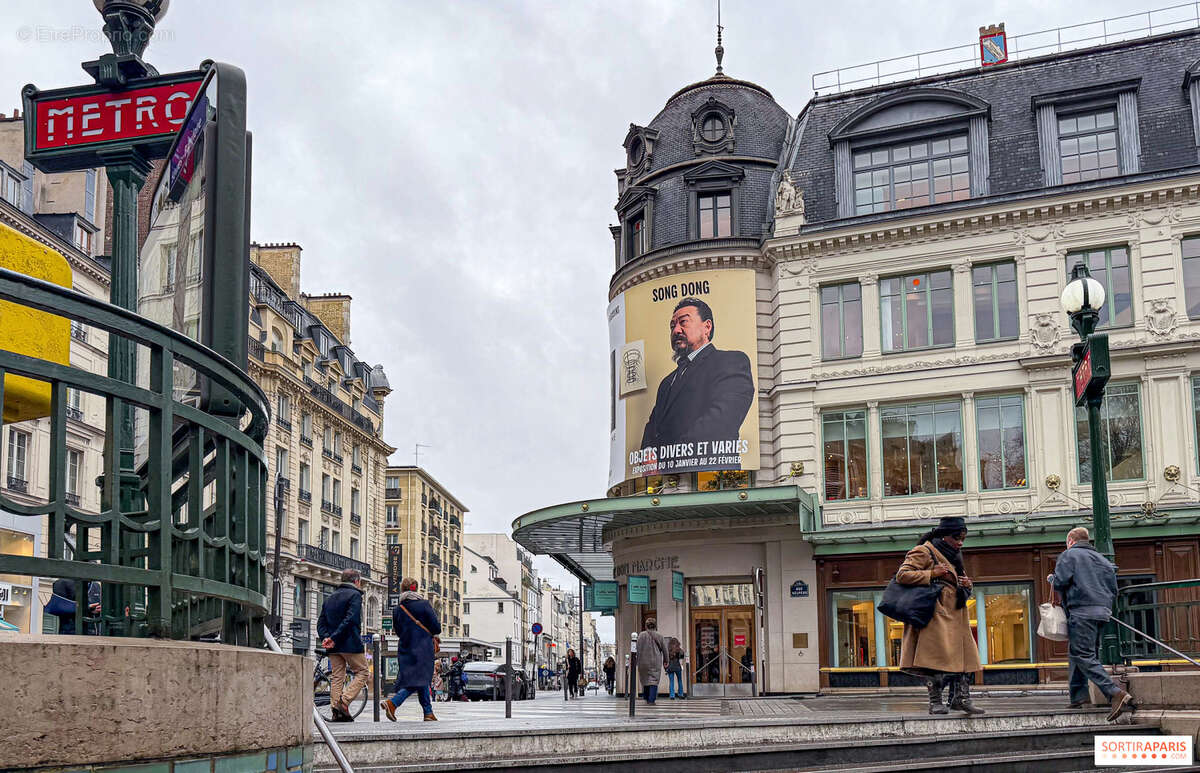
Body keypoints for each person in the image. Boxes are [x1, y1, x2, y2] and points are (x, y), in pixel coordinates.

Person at [639, 298, 754, 456]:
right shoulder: (666, 383)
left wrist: (665, 458)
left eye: (683, 322)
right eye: (672, 326)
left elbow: (721, 421)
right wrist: (647, 458)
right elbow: (652, 428)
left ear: (707, 327)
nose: (676, 330)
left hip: (714, 474)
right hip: (665, 476)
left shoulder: (731, 361)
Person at [895, 516, 984, 716]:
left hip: (955, 611)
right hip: (934, 613)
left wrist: (968, 585)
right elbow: (902, 575)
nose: (960, 542)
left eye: (963, 538)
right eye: (957, 537)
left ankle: (961, 699)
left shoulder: (953, 554)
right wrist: (932, 573)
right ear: (944, 536)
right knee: (935, 659)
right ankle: (935, 702)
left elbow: (956, 580)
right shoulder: (924, 551)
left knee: (964, 657)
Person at [1049, 526, 1134, 721]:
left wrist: (1052, 579)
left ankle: (1115, 693)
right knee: (1081, 651)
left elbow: (1061, 582)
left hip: (1081, 611)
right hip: (1102, 613)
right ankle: (1079, 696)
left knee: (1083, 654)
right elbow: (1114, 590)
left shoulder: (1069, 555)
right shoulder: (1104, 561)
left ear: (1071, 541)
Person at [381, 578, 441, 722]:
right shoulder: (424, 605)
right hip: (423, 649)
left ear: (403, 590)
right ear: (416, 588)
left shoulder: (398, 609)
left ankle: (428, 712)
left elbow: (398, 630)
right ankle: (393, 703)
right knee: (419, 680)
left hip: (405, 647)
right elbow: (436, 628)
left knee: (421, 679)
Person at [316, 569, 366, 722]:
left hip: (334, 646)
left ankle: (336, 712)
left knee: (337, 676)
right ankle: (343, 702)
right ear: (356, 581)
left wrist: (327, 638)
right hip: (350, 643)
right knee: (363, 672)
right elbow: (351, 619)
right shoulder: (355, 595)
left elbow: (321, 623)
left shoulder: (330, 597)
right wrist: (334, 637)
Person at [636, 618, 668, 705]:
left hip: (643, 661)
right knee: (653, 680)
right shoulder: (659, 636)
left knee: (645, 679)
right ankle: (652, 700)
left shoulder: (641, 635)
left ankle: (646, 697)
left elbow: (637, 649)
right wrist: (666, 660)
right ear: (655, 625)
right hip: (655, 661)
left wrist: (635, 661)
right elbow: (665, 650)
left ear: (646, 626)